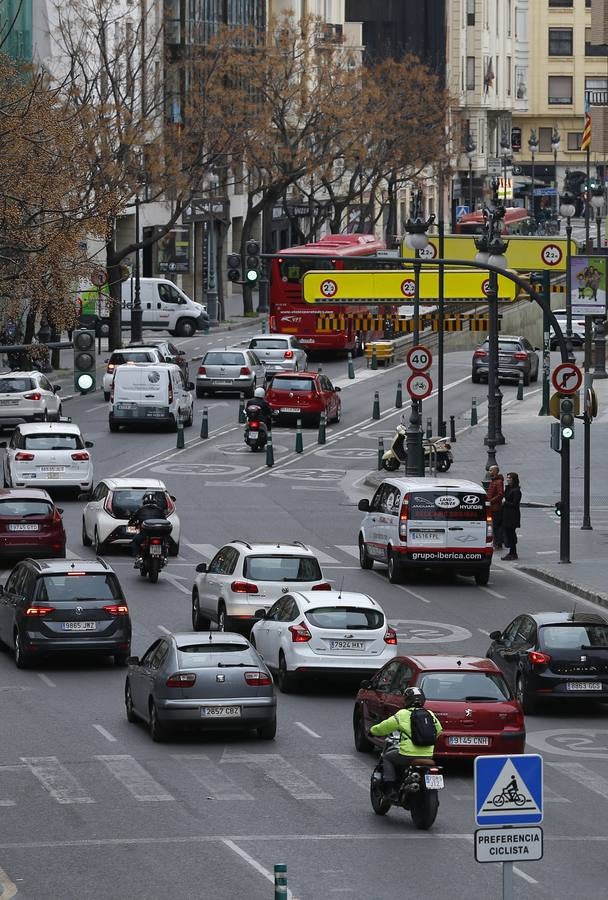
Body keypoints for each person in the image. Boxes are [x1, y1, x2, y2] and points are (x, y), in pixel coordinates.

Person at [369, 687, 442, 799]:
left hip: (406, 754)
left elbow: (384, 727)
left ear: (407, 700)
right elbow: (439, 730)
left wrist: (372, 731)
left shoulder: (402, 714)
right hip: (428, 755)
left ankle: (390, 787)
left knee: (387, 757)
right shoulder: (429, 713)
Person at [128, 492, 167, 565]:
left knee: (135, 541)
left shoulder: (140, 510)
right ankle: (164, 557)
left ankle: (138, 557)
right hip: (159, 532)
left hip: (145, 533)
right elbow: (165, 520)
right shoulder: (160, 510)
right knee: (165, 542)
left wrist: (131, 524)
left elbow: (132, 520)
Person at [501, 472, 522, 561]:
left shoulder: (516, 491)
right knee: (509, 533)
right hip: (507, 514)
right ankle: (511, 552)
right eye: (507, 477)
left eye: (510, 478)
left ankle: (513, 553)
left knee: (511, 534)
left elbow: (515, 504)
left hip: (512, 516)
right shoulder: (509, 488)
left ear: (514, 479)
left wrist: (505, 503)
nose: (508, 479)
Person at [487, 465, 504, 550]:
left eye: (490, 470)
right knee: (495, 526)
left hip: (496, 508)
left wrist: (490, 501)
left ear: (495, 471)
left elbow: (500, 494)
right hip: (493, 507)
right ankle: (497, 542)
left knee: (496, 526)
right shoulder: (494, 481)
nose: (489, 472)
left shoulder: (498, 482)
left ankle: (498, 543)